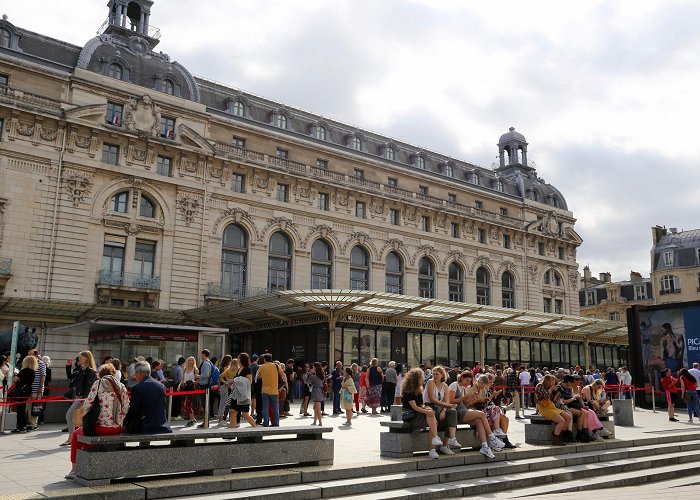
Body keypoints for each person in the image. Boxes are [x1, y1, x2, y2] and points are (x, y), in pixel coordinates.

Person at [65, 363, 129, 481]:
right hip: (117, 428)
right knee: (87, 432)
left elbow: (87, 405)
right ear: (114, 373)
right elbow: (126, 408)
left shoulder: (98, 384)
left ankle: (75, 469)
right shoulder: (121, 386)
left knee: (76, 435)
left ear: (100, 374)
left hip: (101, 428)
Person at [447, 370, 504, 458]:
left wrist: (471, 398)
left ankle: (484, 446)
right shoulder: (454, 385)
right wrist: (465, 398)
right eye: (466, 381)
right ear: (461, 378)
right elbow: (450, 401)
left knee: (479, 421)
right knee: (481, 414)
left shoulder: (462, 388)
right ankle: (492, 438)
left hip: (463, 410)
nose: (468, 383)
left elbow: (465, 404)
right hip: (457, 412)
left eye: (469, 381)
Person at [401, 368, 445, 459]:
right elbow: (414, 407)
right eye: (422, 378)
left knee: (433, 419)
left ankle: (433, 449)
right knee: (431, 416)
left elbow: (420, 405)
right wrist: (427, 411)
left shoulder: (419, 389)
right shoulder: (408, 390)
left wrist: (427, 409)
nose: (424, 379)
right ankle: (434, 444)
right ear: (416, 379)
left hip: (417, 413)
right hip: (410, 415)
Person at [123, 360, 171, 434]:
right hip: (162, 425)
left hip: (145, 426)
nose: (135, 376)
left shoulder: (137, 388)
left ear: (139, 373)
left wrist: (124, 423)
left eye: (136, 373)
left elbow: (134, 410)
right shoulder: (162, 386)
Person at [423, 366, 460, 455]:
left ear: (442, 375)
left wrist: (444, 410)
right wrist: (446, 406)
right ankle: (432, 450)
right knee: (434, 422)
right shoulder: (430, 382)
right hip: (429, 406)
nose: (435, 376)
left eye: (437, 374)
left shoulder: (445, 385)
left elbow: (447, 400)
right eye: (433, 374)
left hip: (441, 407)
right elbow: (431, 399)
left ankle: (450, 440)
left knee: (452, 413)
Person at [62, 351, 97, 446]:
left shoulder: (90, 371)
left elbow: (89, 387)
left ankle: (71, 438)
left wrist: (84, 400)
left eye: (81, 357)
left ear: (87, 358)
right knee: (75, 418)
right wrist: (68, 366)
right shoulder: (81, 369)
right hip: (77, 396)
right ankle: (73, 438)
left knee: (69, 415)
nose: (79, 358)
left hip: (81, 398)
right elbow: (70, 376)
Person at [534, 374, 572, 446]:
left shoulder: (549, 387)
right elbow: (545, 396)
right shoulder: (540, 386)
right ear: (548, 381)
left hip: (551, 406)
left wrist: (557, 392)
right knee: (561, 421)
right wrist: (551, 389)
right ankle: (556, 439)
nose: (554, 383)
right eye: (552, 381)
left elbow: (553, 400)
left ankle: (557, 432)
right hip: (544, 407)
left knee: (568, 417)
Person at [9, 355, 37, 433]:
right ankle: (22, 426)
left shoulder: (23, 371)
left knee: (20, 409)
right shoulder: (33, 372)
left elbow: (15, 380)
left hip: (21, 391)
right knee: (22, 408)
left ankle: (20, 426)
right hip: (27, 391)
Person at [26, 349, 46, 430]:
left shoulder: (41, 363)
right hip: (28, 389)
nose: (29, 356)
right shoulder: (28, 363)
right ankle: (29, 423)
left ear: (36, 355)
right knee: (28, 406)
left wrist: (40, 387)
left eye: (30, 355)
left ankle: (33, 424)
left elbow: (43, 375)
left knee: (35, 407)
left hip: (37, 388)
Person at [258, 353, 280, 427]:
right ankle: (276, 423)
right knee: (275, 408)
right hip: (274, 390)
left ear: (264, 359)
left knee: (265, 408)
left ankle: (266, 423)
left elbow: (258, 377)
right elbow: (283, 375)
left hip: (265, 391)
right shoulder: (276, 365)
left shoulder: (262, 367)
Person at [197, 349, 214, 427]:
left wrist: (197, 376)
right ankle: (205, 421)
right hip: (205, 385)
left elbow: (206, 374)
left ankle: (206, 422)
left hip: (204, 385)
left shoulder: (206, 363)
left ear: (203, 354)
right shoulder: (208, 362)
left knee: (205, 404)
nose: (200, 356)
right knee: (205, 404)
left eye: (201, 354)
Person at [180, 356, 198, 427]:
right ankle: (192, 418)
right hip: (184, 387)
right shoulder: (185, 369)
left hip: (191, 388)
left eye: (192, 360)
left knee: (187, 404)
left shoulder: (195, 369)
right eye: (189, 360)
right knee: (184, 405)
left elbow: (197, 380)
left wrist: (192, 382)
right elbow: (182, 379)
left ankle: (191, 419)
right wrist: (179, 385)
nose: (191, 362)